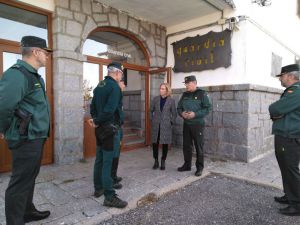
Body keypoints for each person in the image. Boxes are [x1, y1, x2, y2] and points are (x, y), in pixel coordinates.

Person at [0, 36, 52, 224]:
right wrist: (3, 128)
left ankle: (27, 212)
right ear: (36, 52)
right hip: (26, 138)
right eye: (45, 52)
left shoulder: (34, 76)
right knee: (19, 183)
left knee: (29, 178)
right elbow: (3, 106)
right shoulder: (17, 74)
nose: (47, 56)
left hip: (35, 136)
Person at [89, 62, 127, 208]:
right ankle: (109, 197)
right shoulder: (114, 87)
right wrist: (98, 120)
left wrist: (96, 121)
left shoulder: (100, 86)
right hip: (110, 130)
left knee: (99, 159)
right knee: (107, 162)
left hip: (100, 129)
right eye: (121, 74)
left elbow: (92, 107)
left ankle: (98, 188)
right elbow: (110, 110)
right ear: (117, 73)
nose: (121, 77)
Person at [269, 63, 300, 216]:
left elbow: (274, 109)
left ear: (290, 76)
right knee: (286, 169)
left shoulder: (296, 91)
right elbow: (277, 113)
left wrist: (277, 112)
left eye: (282, 76)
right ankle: (290, 196)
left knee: (291, 170)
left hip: (289, 137)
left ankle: (297, 204)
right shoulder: (292, 92)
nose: (280, 79)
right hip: (286, 135)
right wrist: (278, 113)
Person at [177, 75, 212, 176]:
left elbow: (208, 108)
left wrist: (195, 114)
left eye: (188, 83)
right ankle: (187, 165)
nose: (186, 85)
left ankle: (199, 168)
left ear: (195, 83)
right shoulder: (184, 95)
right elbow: (179, 108)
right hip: (186, 124)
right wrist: (182, 114)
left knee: (198, 146)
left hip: (198, 125)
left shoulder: (202, 94)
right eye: (185, 83)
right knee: (186, 146)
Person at [150, 83, 177, 170]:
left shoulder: (171, 101)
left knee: (165, 144)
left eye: (162, 89)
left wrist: (171, 122)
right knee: (155, 143)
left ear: (167, 90)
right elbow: (150, 110)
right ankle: (156, 161)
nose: (160, 90)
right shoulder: (155, 99)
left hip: (166, 126)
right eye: (160, 88)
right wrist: (152, 120)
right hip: (156, 125)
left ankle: (163, 161)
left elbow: (174, 113)